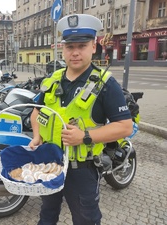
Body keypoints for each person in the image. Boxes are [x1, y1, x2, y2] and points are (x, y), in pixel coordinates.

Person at [29, 14, 133, 225]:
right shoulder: (53, 79)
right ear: (62, 48)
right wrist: (37, 136)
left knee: (86, 219)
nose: (75, 52)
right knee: (47, 214)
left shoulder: (106, 84)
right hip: (50, 163)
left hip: (82, 170)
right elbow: (36, 111)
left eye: (82, 46)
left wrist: (84, 137)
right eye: (69, 47)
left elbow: (125, 126)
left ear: (93, 47)